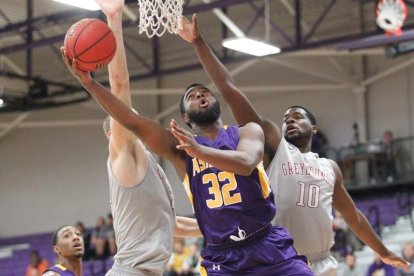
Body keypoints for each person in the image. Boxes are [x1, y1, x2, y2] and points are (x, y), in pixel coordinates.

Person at [61, 11, 313, 276]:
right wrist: (88, 83)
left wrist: (198, 42)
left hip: (267, 244)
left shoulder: (247, 132)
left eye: (205, 93)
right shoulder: (180, 150)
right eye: (192, 96)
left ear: (215, 103)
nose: (201, 95)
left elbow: (247, 164)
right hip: (223, 259)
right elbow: (129, 120)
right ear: (185, 116)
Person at [177, 14, 410, 275]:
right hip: (277, 256)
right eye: (285, 117)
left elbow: (353, 216)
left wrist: (381, 250)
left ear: (313, 128)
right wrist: (198, 43)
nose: (289, 120)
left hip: (321, 262)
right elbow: (229, 89)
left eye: (297, 116)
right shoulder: (274, 149)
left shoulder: (329, 167)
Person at [77, 1, 201, 275]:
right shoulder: (122, 154)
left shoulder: (143, 163)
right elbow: (119, 85)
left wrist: (217, 221)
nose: (133, 114)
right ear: (114, 133)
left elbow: (170, 223)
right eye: (124, 113)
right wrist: (114, 18)